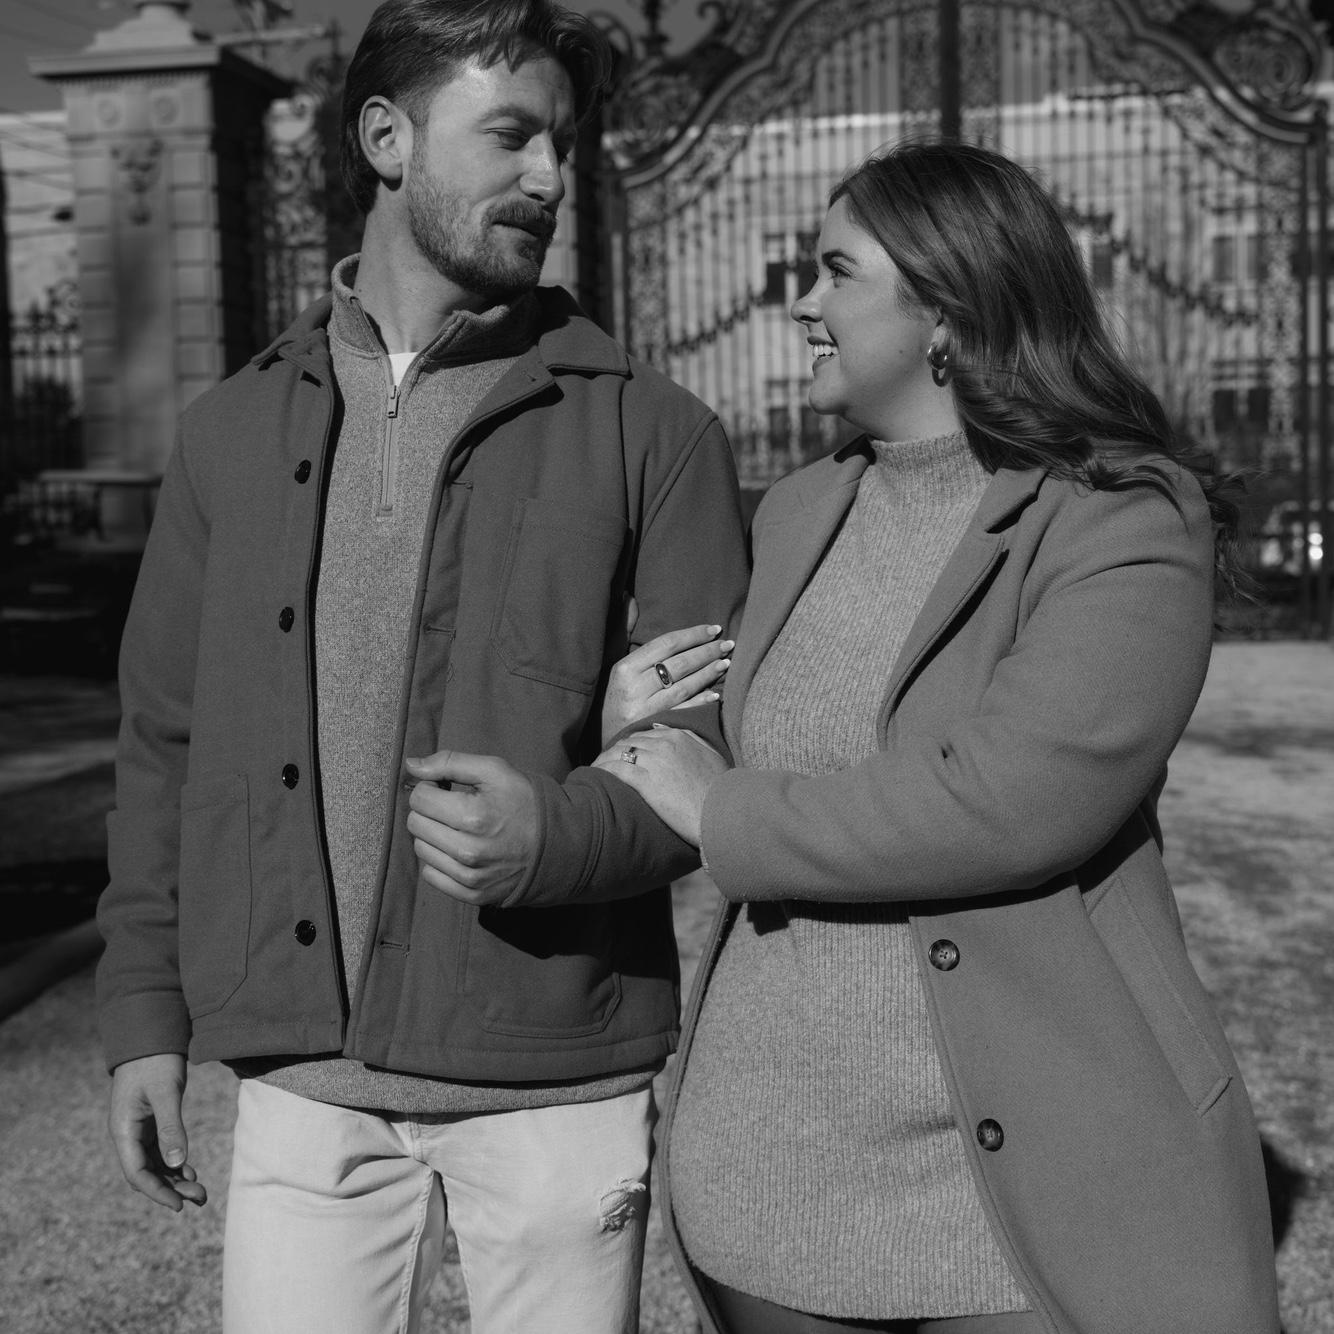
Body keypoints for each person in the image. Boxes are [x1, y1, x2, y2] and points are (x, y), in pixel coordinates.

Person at [96, 3, 747, 1331]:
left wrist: (554, 835)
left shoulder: (656, 433)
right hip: (301, 1087)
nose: (549, 177)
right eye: (510, 136)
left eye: (560, 143)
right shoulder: (228, 434)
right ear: (386, 140)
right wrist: (144, 1011)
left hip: (554, 1079)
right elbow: (165, 742)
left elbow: (712, 741)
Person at [599, 140, 1279, 1334]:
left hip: (1028, 1181)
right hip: (767, 1165)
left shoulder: (1121, 516)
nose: (800, 302)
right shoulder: (798, 507)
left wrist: (722, 810)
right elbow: (758, 743)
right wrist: (643, 717)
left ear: (947, 311)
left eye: (834, 271)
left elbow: (1009, 798)